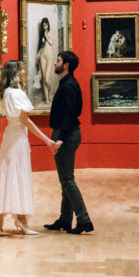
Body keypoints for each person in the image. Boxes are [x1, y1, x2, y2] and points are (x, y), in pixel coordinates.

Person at [0, 60, 60, 236]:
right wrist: (47, 140)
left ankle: (1, 219)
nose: (24, 72)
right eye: (21, 70)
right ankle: (20, 219)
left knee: (7, 174)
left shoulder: (6, 93)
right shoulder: (16, 93)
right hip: (17, 139)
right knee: (18, 175)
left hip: (11, 137)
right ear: (15, 74)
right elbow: (25, 120)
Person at [44, 51, 94, 234]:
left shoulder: (68, 86)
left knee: (67, 179)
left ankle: (84, 220)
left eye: (57, 60)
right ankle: (65, 219)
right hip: (68, 133)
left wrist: (60, 139)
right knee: (65, 179)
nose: (55, 63)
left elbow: (70, 115)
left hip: (67, 134)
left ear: (65, 65)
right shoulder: (68, 83)